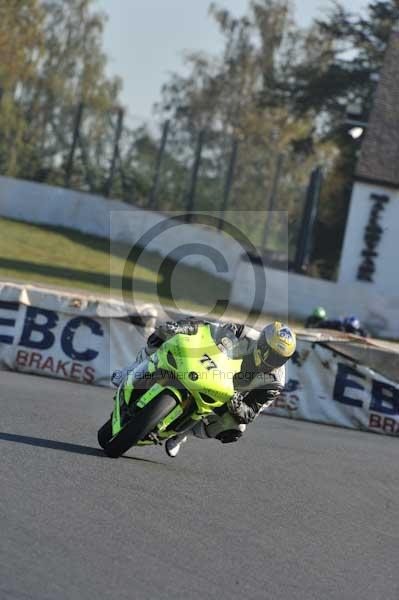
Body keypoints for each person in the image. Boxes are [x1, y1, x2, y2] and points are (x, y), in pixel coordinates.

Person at [112, 318, 296, 457]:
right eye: (272, 355)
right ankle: (130, 371)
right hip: (208, 364)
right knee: (163, 336)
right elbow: (206, 328)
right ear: (263, 343)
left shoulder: (274, 382)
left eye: (280, 359)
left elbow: (250, 413)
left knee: (235, 429)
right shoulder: (243, 334)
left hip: (228, 392)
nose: (274, 362)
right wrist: (181, 328)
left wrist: (237, 404)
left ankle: (182, 433)